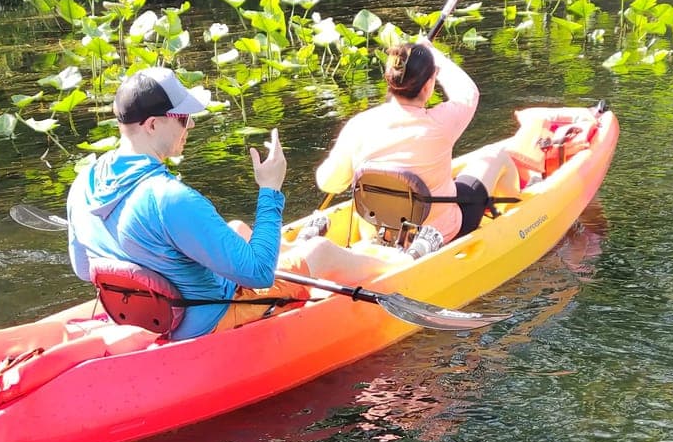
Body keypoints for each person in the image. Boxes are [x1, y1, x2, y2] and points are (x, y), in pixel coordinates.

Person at [67, 67, 402, 341]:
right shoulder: (169, 198)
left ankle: (324, 254)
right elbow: (257, 275)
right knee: (319, 251)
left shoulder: (83, 183)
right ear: (152, 125)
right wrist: (270, 190)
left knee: (239, 229)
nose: (192, 124)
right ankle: (402, 268)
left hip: (152, 312)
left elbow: (85, 270)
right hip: (207, 316)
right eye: (183, 117)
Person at [315, 41, 520, 244]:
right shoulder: (441, 123)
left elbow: (328, 183)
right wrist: (433, 52)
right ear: (429, 84)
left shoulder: (358, 126)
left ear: (390, 79)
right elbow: (468, 93)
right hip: (438, 232)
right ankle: (521, 220)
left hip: (379, 231)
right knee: (496, 155)